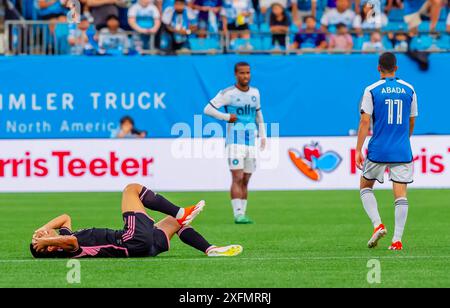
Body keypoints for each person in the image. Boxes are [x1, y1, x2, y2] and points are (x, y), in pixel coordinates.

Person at [30, 183, 243, 258]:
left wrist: (44, 228)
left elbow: (65, 217)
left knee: (175, 223)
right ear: (48, 248)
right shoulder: (66, 247)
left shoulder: (65, 237)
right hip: (130, 240)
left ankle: (210, 249)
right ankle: (180, 212)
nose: (40, 234)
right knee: (131, 189)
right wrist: (46, 241)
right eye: (40, 238)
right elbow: (73, 243)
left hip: (143, 247)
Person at [356, 52, 418, 251]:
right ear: (396, 68)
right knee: (401, 195)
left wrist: (358, 149)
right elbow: (412, 119)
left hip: (379, 147)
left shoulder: (371, 90)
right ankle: (397, 241)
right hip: (401, 148)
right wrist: (405, 139)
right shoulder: (409, 89)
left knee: (365, 186)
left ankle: (378, 224)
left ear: (378, 68)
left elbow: (365, 121)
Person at [203, 62, 266, 224]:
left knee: (246, 179)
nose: (245, 76)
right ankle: (237, 214)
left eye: (248, 73)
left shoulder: (255, 93)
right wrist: (226, 117)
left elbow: (258, 114)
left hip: (251, 142)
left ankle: (243, 213)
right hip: (234, 142)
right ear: (236, 75)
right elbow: (207, 110)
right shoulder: (228, 93)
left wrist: (264, 135)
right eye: (242, 73)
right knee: (237, 177)